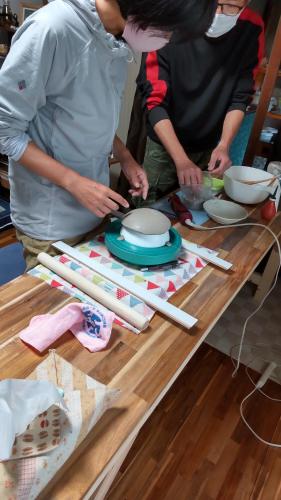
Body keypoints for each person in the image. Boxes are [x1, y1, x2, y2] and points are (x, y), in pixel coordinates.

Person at [0, 0, 216, 269]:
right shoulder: (52, 29)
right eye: (169, 29)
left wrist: (125, 157)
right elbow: (5, 131)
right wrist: (74, 183)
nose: (168, 39)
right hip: (49, 220)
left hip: (93, 208)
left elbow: (85, 115)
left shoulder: (115, 37)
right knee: (61, 307)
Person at [131, 0, 264, 207]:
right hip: (164, 144)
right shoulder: (171, 17)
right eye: (215, 4)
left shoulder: (252, 27)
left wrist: (224, 145)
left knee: (195, 214)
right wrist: (181, 159)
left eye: (232, 7)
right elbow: (154, 101)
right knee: (149, 210)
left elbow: (240, 97)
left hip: (209, 147)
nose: (219, 13)